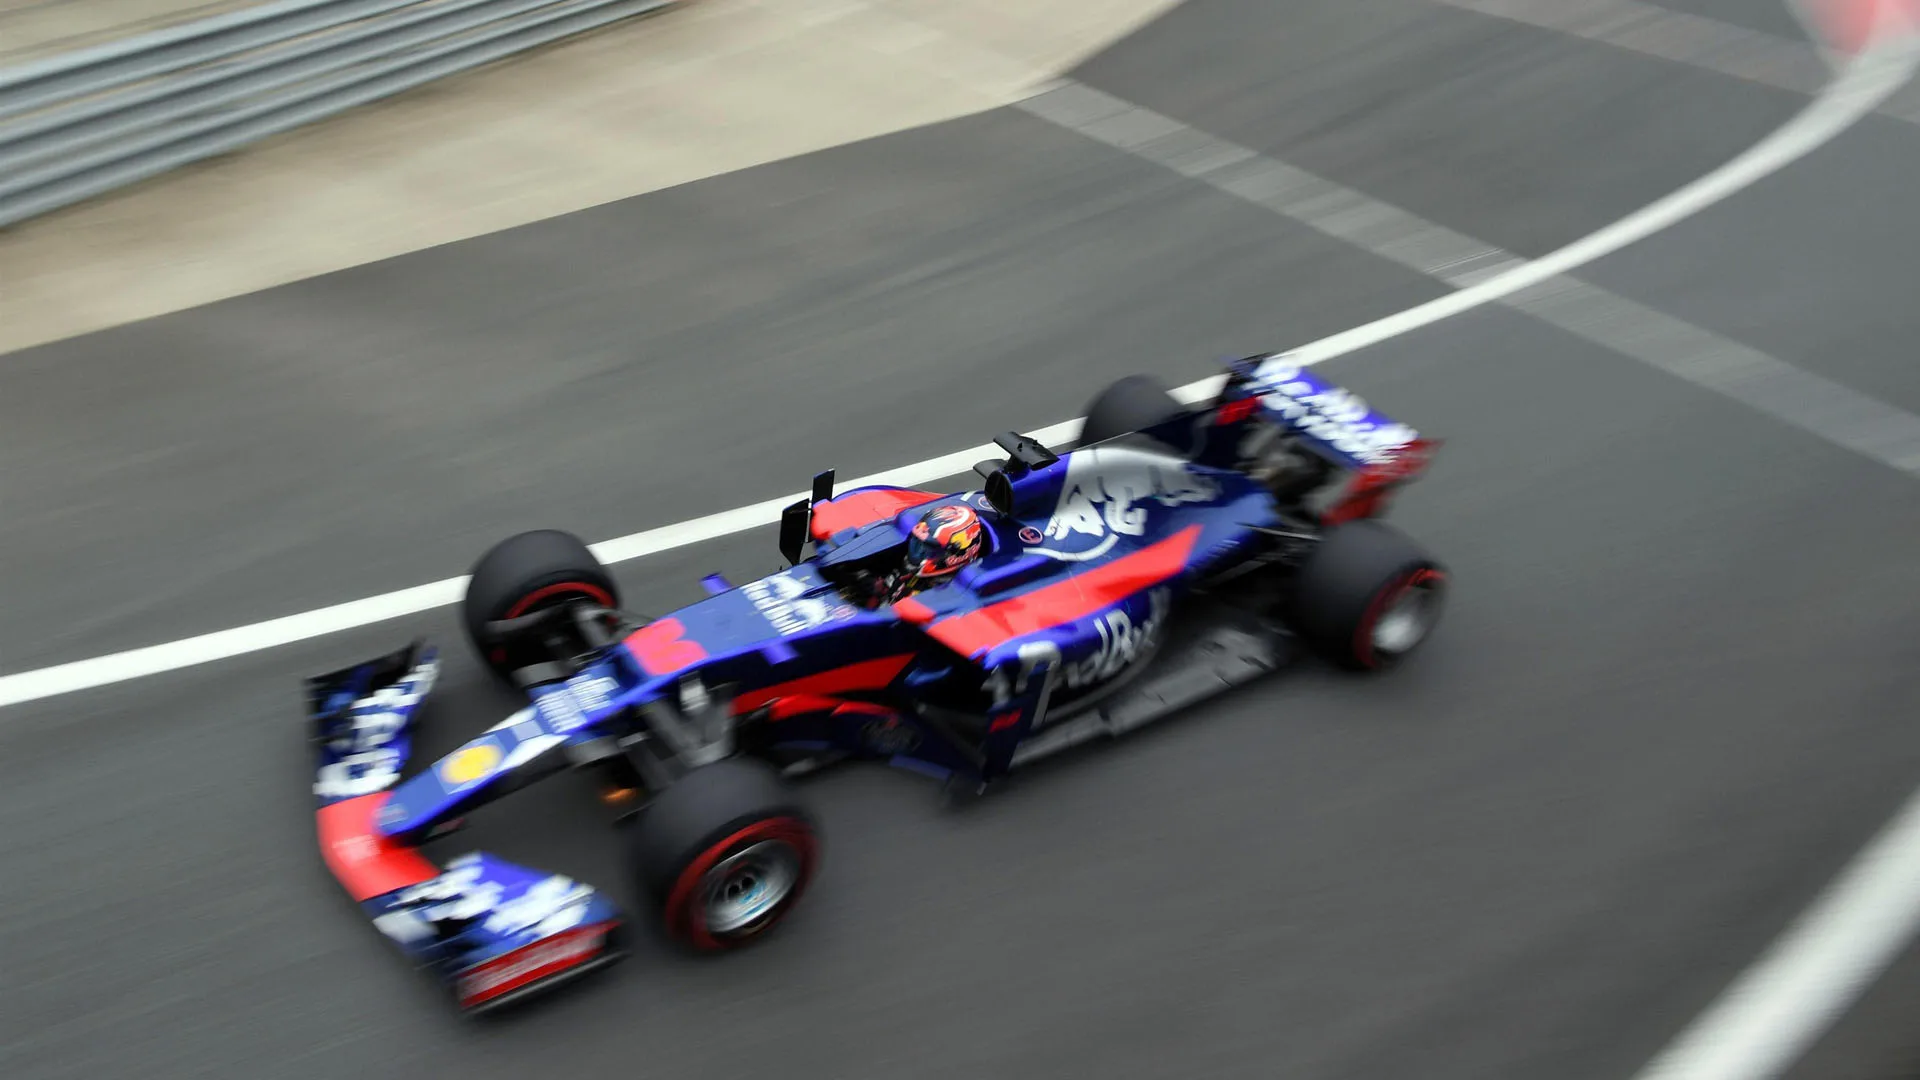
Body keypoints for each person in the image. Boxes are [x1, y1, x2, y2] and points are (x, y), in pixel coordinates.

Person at [876, 503, 986, 604]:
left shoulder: (945, 598)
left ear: (955, 554)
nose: (917, 552)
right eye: (916, 543)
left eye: (927, 549)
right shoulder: (914, 572)